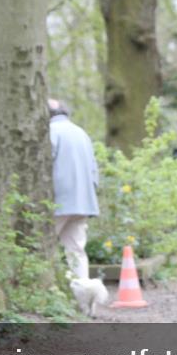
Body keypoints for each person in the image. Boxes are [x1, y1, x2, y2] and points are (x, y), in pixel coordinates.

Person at [48, 99, 100, 280]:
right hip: (83, 202)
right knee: (76, 250)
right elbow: (94, 169)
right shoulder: (80, 132)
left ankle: (50, 290)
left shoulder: (51, 132)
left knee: (43, 246)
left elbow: (45, 164)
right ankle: (83, 295)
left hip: (58, 201)